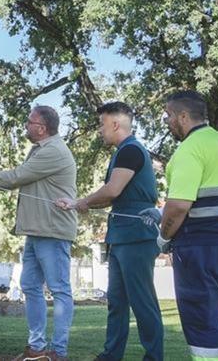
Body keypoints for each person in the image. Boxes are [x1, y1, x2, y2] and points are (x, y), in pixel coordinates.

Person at [0, 105, 77, 361]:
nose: (25, 125)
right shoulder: (43, 149)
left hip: (53, 232)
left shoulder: (53, 150)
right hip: (36, 231)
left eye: (29, 122)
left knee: (59, 290)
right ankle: (36, 349)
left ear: (41, 128)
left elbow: (17, 177)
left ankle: (58, 352)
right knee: (30, 286)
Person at [56, 101, 163, 361]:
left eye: (102, 124)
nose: (100, 130)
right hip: (120, 237)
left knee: (142, 302)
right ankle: (110, 356)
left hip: (136, 237)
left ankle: (154, 357)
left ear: (116, 124)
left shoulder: (131, 151)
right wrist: (76, 204)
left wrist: (82, 202)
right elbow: (111, 196)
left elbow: (112, 190)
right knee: (116, 302)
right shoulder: (123, 152)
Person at [158, 90, 218, 361]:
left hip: (200, 247)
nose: (167, 121)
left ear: (183, 116)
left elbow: (178, 206)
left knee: (200, 318)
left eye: (169, 115)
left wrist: (163, 237)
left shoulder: (189, 149)